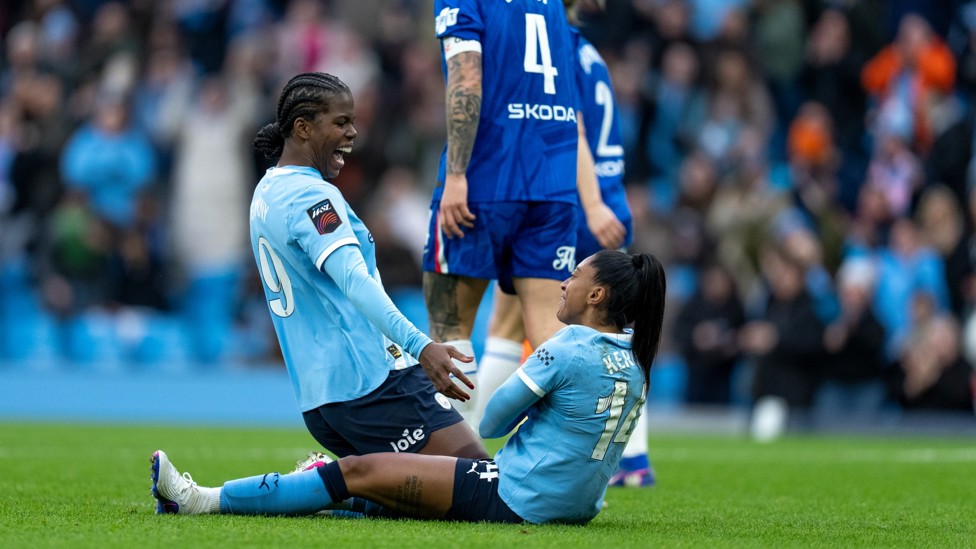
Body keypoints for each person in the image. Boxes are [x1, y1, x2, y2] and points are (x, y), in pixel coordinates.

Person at [149, 250, 667, 524]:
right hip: (575, 508)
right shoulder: (636, 364)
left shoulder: (567, 348)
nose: (565, 282)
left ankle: (201, 500)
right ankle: (319, 490)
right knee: (388, 485)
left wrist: (538, 405)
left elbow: (491, 422)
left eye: (575, 276)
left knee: (355, 470)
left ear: (596, 294)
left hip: (518, 498)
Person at [246, 72, 486, 459]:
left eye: (353, 121)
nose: (353, 132)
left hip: (320, 398)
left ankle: (325, 483)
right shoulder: (312, 197)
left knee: (413, 501)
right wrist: (421, 346)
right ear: (303, 128)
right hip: (372, 382)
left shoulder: (267, 191)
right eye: (341, 122)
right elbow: (355, 282)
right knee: (480, 482)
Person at [474, 1, 653, 487]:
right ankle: (633, 461)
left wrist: (590, 204)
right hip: (606, 201)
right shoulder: (588, 50)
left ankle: (468, 443)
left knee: (509, 326)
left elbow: (568, 129)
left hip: (571, 200)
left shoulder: (557, 47)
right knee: (609, 334)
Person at [422, 0, 582, 410]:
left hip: (488, 176)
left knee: (450, 330)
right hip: (554, 181)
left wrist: (457, 174)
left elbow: (466, 78)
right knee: (551, 332)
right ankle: (565, 460)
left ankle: (458, 465)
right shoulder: (553, 7)